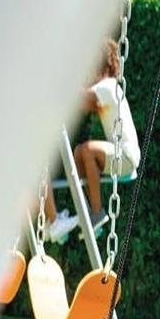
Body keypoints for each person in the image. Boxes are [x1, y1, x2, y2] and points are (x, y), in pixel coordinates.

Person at [45, 38, 141, 244]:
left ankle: (96, 213)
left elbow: (85, 101)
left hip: (126, 156)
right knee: (79, 153)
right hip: (120, 156)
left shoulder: (109, 86)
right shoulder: (105, 88)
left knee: (86, 150)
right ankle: (88, 212)